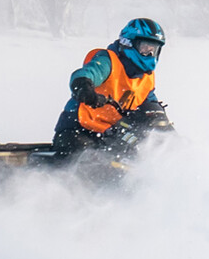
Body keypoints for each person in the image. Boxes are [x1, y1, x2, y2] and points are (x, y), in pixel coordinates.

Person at [53, 18, 169, 156]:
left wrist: (162, 128)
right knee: (90, 158)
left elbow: (150, 104)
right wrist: (85, 88)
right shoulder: (108, 61)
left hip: (113, 133)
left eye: (153, 50)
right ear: (129, 43)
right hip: (79, 129)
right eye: (145, 48)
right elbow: (86, 74)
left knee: (138, 155)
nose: (149, 55)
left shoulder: (146, 78)